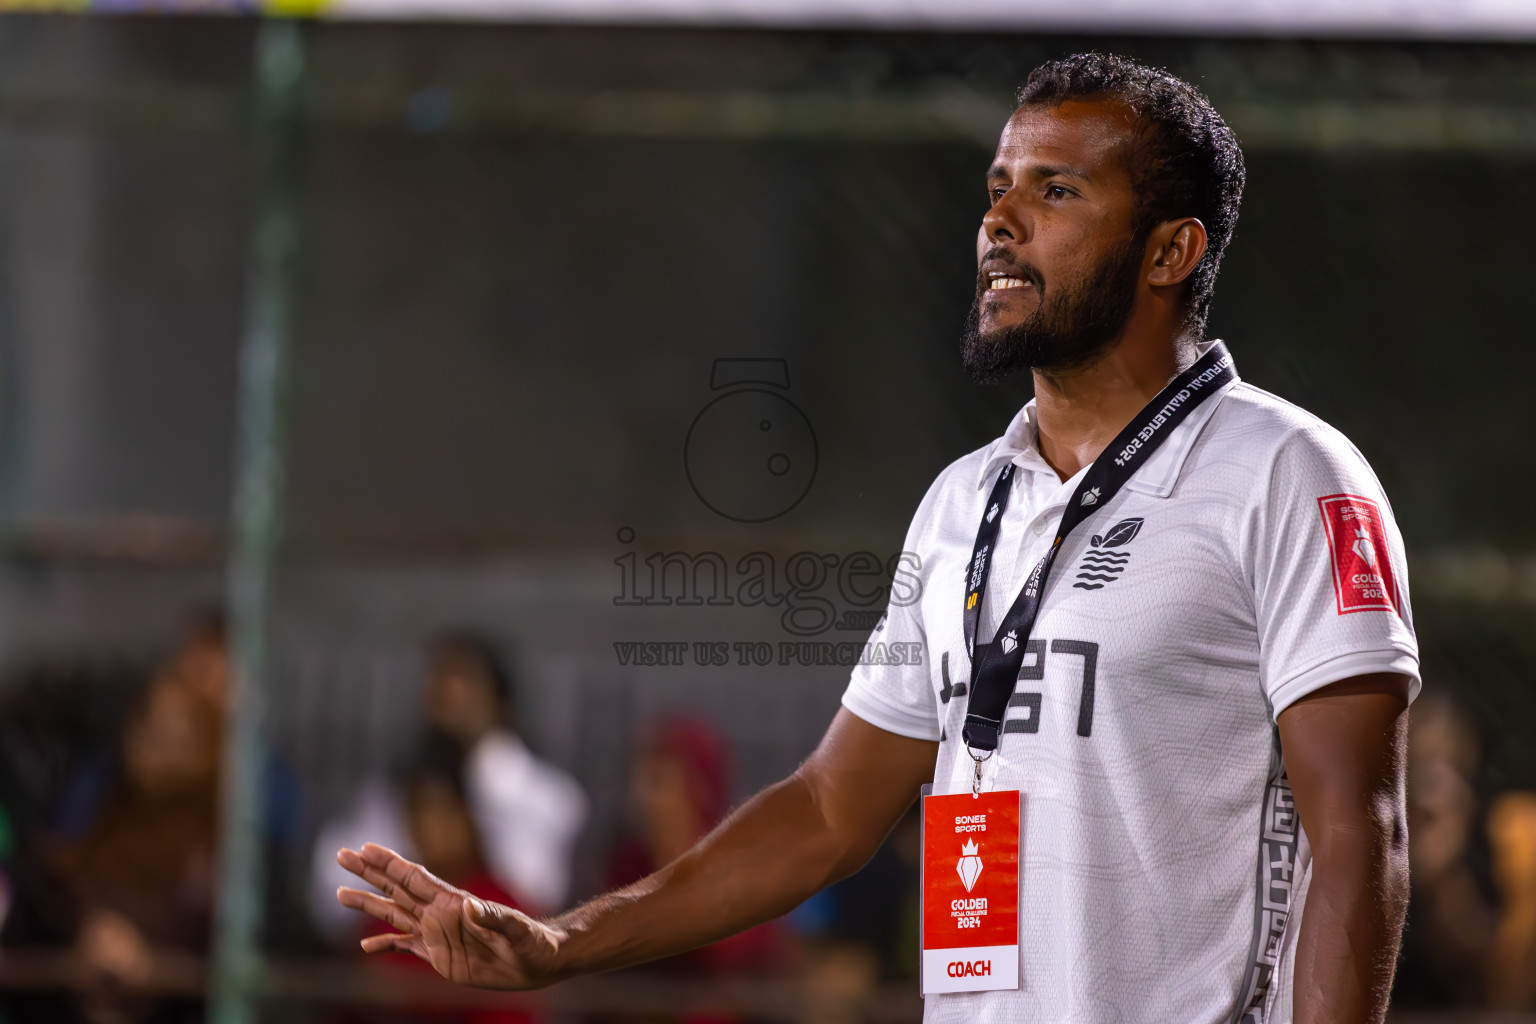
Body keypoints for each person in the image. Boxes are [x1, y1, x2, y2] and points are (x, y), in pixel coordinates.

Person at [336, 54, 1418, 1024]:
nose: (1001, 222)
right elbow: (826, 809)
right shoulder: (964, 499)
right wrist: (560, 942)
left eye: (1057, 191)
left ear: (1171, 249)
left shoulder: (1285, 474)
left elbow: (1358, 835)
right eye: (998, 190)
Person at [311, 634, 586, 942]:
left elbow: (536, 901)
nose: (448, 696)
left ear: (499, 702)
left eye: (464, 684)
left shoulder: (548, 796)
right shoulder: (392, 787)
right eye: (439, 685)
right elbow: (334, 892)